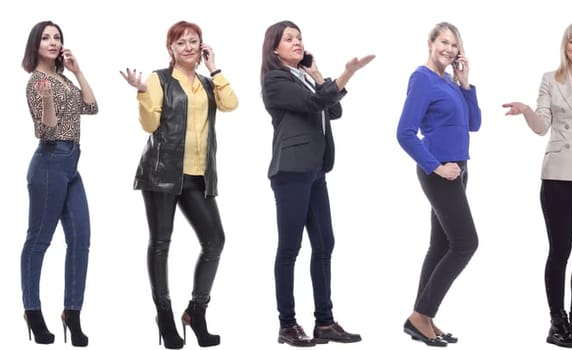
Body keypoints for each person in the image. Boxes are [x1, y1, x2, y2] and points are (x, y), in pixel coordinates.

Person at [118, 20, 240, 349]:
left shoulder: (206, 82)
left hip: (197, 175)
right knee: (161, 243)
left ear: (202, 47)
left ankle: (196, 312)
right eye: (181, 42)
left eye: (194, 41)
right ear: (170, 48)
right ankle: (165, 314)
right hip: (160, 173)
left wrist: (215, 69)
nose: (188, 47)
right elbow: (150, 125)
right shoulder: (159, 79)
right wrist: (142, 94)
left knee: (214, 241)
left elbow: (231, 104)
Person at [501, 20, 572, 349]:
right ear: (564, 46)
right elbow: (541, 127)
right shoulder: (550, 80)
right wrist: (526, 111)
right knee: (559, 251)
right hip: (559, 177)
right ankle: (557, 323)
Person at [259, 20, 373, 347]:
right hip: (291, 171)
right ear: (274, 48)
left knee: (325, 245)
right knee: (290, 248)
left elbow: (332, 109)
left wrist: (320, 76)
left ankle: (324, 322)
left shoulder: (305, 78)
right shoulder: (275, 80)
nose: (297, 42)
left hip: (316, 171)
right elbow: (315, 104)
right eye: (289, 38)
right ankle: (287, 325)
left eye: (299, 37)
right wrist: (346, 74)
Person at [396, 22, 481, 347]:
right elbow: (404, 132)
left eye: (454, 45)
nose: (449, 49)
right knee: (466, 243)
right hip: (439, 173)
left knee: (442, 245)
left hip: (458, 170)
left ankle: (423, 318)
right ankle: (420, 314)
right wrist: (435, 166)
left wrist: (464, 83)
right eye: (444, 42)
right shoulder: (422, 78)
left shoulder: (449, 82)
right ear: (430, 42)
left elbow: (474, 124)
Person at [20, 20, 98, 347]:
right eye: (46, 37)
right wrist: (49, 99)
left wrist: (78, 71)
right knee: (39, 240)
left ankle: (72, 312)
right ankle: (33, 311)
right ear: (35, 44)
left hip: (71, 166)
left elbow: (92, 107)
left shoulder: (62, 78)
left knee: (81, 238)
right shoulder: (37, 82)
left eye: (57, 37)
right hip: (50, 162)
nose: (53, 42)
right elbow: (47, 132)